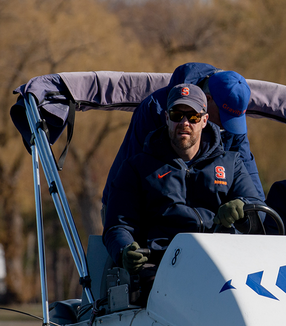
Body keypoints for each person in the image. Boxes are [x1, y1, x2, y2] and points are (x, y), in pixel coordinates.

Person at [103, 83, 263, 298]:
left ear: (205, 120)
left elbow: (256, 210)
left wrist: (242, 207)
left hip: (224, 265)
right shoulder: (136, 168)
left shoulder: (232, 163)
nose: (184, 123)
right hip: (161, 267)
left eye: (193, 117)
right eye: (177, 115)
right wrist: (124, 251)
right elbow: (117, 226)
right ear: (167, 119)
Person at [101, 63, 263, 224]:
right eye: (223, 117)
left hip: (207, 227)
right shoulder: (156, 109)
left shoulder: (231, 125)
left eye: (234, 121)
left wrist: (246, 204)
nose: (225, 126)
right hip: (135, 210)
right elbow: (135, 175)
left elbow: (254, 191)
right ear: (207, 101)